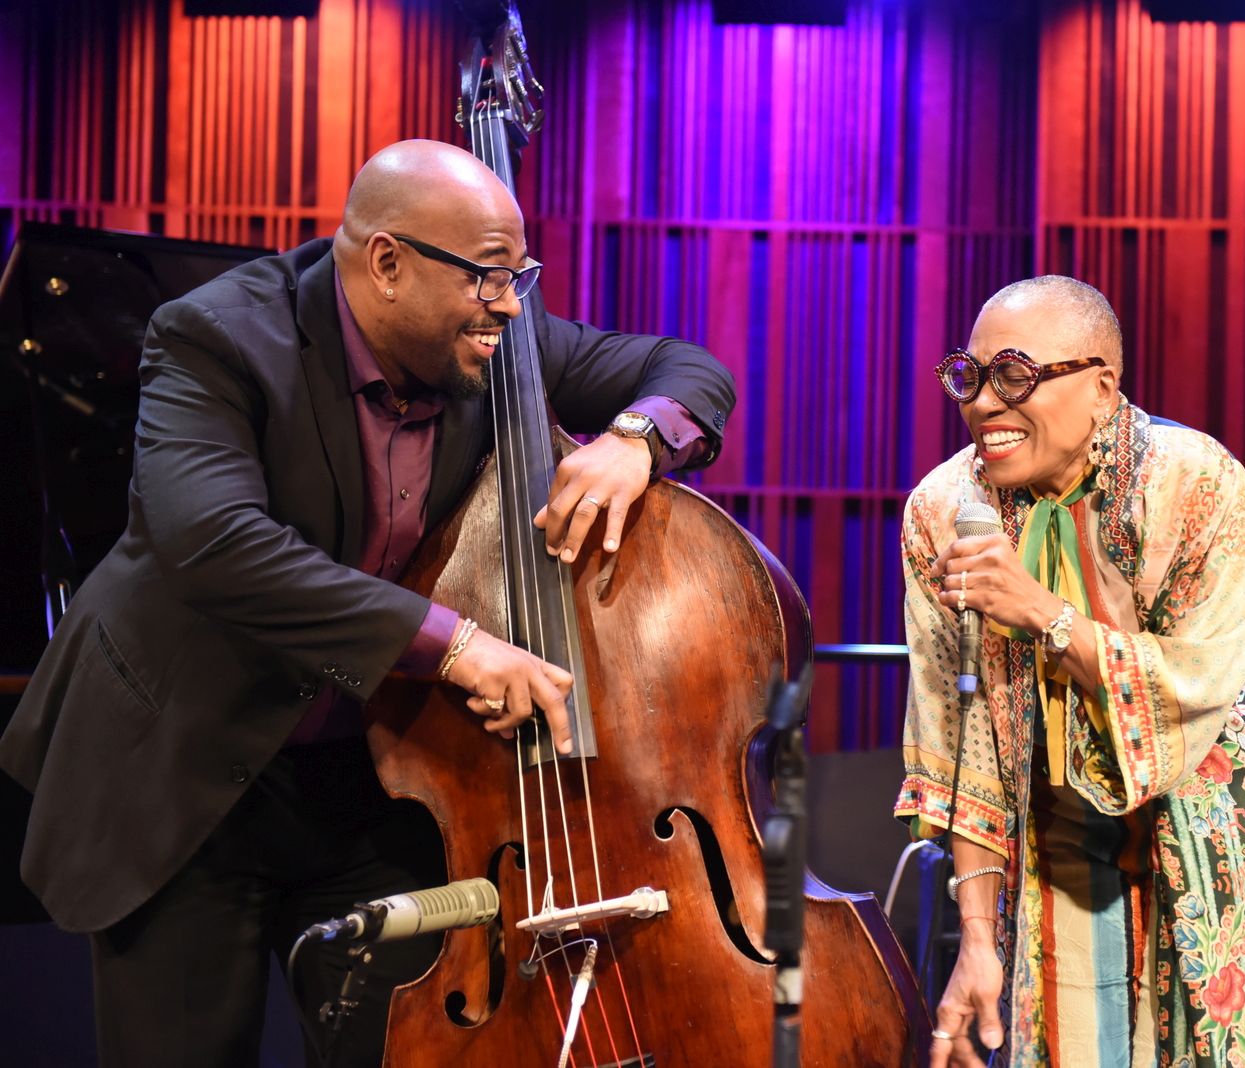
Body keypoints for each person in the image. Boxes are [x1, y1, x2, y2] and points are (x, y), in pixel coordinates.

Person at [0, 139, 735, 1067]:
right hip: (185, 770)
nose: (510, 305)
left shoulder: (498, 339)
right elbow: (215, 545)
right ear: (387, 263)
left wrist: (635, 438)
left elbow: (686, 368)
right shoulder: (217, 337)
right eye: (486, 279)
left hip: (375, 785)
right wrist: (460, 645)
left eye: (521, 277)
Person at [895, 276, 1245, 1067]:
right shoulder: (941, 510)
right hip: (1054, 836)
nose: (985, 404)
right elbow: (955, 737)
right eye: (971, 376)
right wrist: (977, 940)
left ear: (1101, 387)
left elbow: (1199, 681)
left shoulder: (1196, 483)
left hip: (1212, 808)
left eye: (1017, 376)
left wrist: (1044, 614)